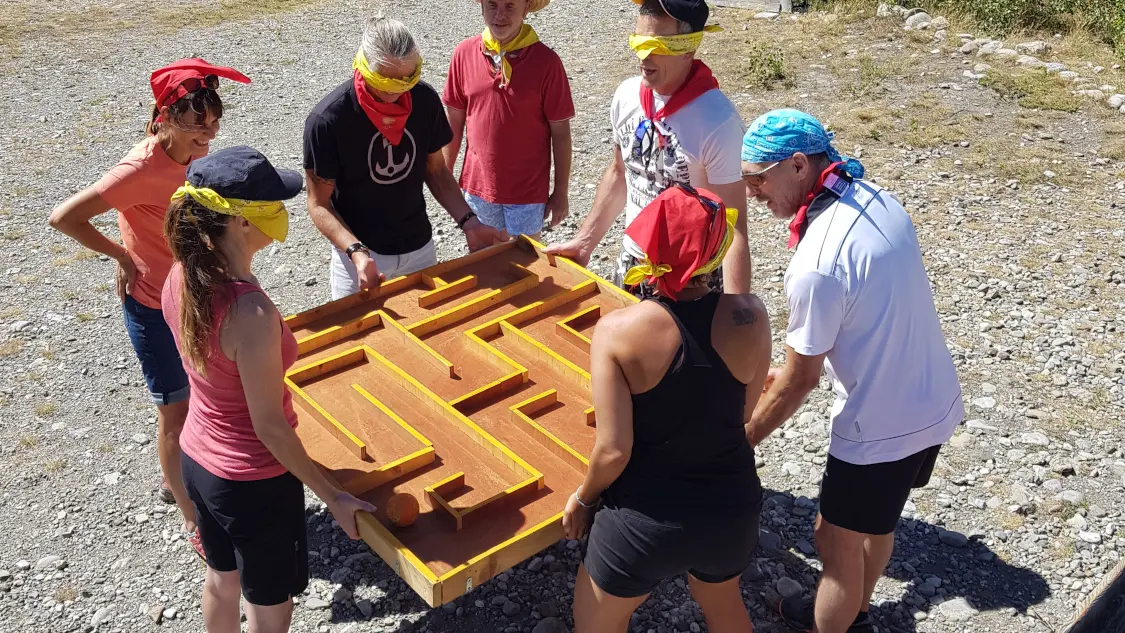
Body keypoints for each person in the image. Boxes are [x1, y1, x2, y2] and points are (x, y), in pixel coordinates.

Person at [740, 110, 964, 633]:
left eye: (757, 178)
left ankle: (836, 621)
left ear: (798, 165)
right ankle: (858, 612)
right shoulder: (873, 196)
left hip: (880, 425)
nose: (752, 192)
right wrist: (790, 367)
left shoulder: (817, 263)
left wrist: (743, 440)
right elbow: (864, 312)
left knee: (832, 540)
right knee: (876, 523)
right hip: (932, 398)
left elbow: (801, 381)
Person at [162, 146, 378, 633]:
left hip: (198, 461)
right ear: (239, 220)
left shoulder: (181, 276)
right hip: (251, 484)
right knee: (270, 608)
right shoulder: (251, 314)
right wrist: (333, 495)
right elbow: (270, 429)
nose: (282, 211)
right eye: (271, 203)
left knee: (221, 581)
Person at [47, 58, 250, 557]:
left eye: (214, 115)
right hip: (154, 309)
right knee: (176, 412)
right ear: (165, 117)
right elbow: (64, 217)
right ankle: (191, 516)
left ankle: (192, 477)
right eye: (196, 119)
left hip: (193, 298)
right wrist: (122, 255)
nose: (210, 129)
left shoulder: (191, 155)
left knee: (213, 395)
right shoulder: (138, 169)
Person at [561, 184, 771, 633]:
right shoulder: (751, 316)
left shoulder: (617, 331)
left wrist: (583, 499)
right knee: (723, 605)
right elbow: (743, 415)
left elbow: (614, 449)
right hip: (730, 509)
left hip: (644, 520)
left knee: (596, 623)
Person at [545, 0, 750, 295]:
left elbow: (734, 226)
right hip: (634, 262)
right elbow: (620, 174)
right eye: (638, 41)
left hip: (691, 281)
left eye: (656, 45)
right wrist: (584, 242)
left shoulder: (718, 121)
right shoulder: (626, 96)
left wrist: (737, 309)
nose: (643, 55)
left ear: (688, 49)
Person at [304, 14, 509, 300]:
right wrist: (356, 252)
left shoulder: (423, 100)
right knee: (361, 335)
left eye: (408, 78)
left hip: (419, 248)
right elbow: (318, 204)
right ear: (364, 65)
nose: (397, 90)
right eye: (385, 80)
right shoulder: (328, 120)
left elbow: (436, 171)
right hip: (361, 257)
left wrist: (470, 223)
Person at [442, 0, 575, 240]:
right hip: (478, 185)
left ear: (526, 8)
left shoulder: (547, 62)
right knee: (486, 259)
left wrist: (560, 192)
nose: (500, 15)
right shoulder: (464, 54)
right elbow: (453, 122)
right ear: (481, 6)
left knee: (526, 262)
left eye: (510, 6)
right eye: (492, 5)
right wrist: (445, 177)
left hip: (527, 190)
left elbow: (561, 134)